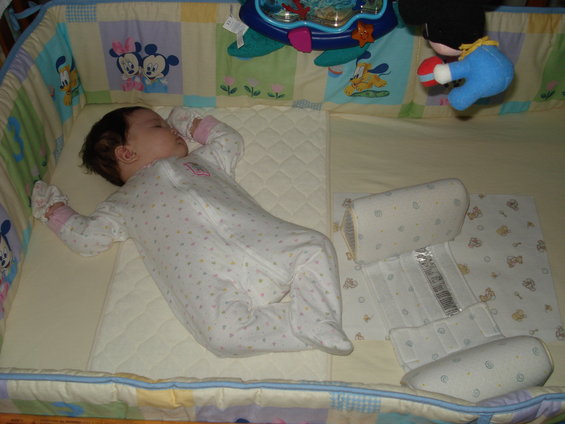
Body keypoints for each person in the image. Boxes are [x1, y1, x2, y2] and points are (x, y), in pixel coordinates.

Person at [32, 106, 353, 357]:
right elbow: (87, 238)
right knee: (220, 336)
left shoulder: (204, 160)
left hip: (263, 241)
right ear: (126, 153)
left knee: (315, 246)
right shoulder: (122, 203)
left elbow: (229, 140)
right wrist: (53, 210)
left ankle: (319, 316)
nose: (171, 129)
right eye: (159, 125)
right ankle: (301, 326)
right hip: (210, 277)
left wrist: (191, 123)